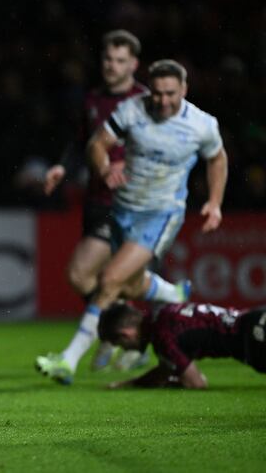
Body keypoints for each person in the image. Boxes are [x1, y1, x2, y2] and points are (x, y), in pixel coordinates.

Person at [36, 59, 228, 385]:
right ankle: (169, 293)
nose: (163, 101)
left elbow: (217, 158)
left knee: (110, 279)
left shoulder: (202, 124)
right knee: (106, 278)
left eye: (171, 94)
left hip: (161, 214)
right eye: (157, 93)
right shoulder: (132, 110)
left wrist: (214, 202)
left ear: (184, 90)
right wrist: (104, 167)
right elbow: (97, 143)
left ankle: (68, 360)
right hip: (122, 208)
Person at [98, 301, 266, 388]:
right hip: (255, 318)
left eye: (119, 344)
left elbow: (196, 383)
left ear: (126, 333)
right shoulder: (163, 313)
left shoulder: (161, 336)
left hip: (254, 339)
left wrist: (173, 383)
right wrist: (133, 383)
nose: (124, 349)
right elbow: (168, 367)